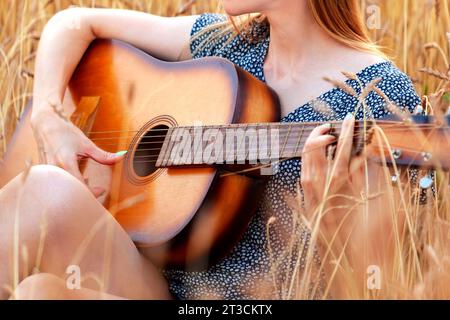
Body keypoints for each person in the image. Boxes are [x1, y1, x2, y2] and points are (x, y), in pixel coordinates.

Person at [0, 0, 421, 300]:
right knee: (40, 249)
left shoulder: (381, 96)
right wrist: (49, 114)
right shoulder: (224, 42)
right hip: (155, 285)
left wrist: (331, 216)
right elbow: (74, 23)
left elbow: (380, 282)